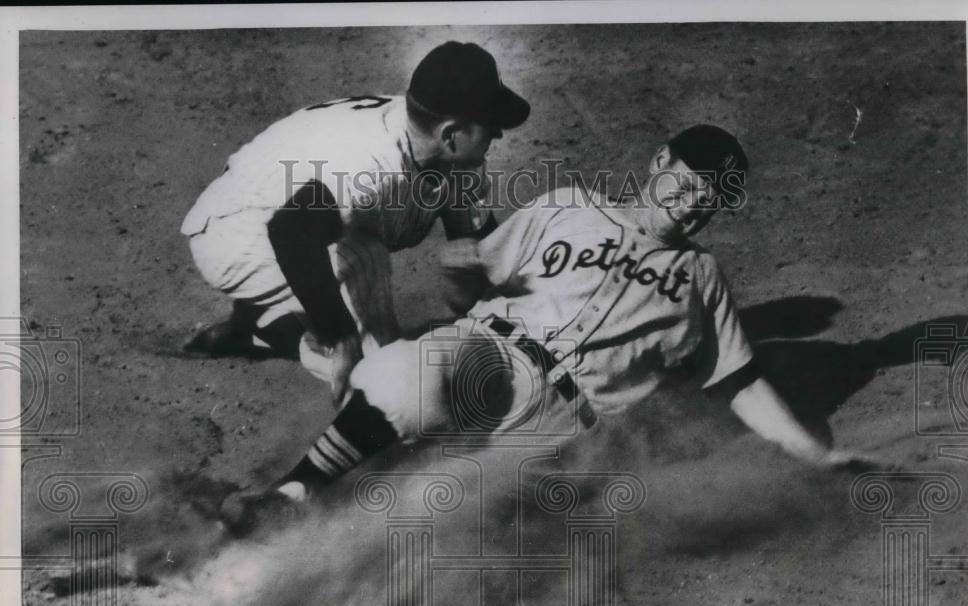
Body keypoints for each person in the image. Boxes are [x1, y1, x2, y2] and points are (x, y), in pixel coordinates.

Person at [220, 124, 870, 535]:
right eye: (691, 182)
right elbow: (468, 293)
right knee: (403, 380)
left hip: (563, 422)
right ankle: (292, 492)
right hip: (492, 353)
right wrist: (459, 274)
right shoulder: (569, 206)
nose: (696, 202)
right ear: (660, 161)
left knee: (436, 517)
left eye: (713, 198)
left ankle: (284, 569)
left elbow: (740, 382)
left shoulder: (702, 278)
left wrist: (816, 455)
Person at [179, 41, 530, 402]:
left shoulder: (448, 153)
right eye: (490, 124)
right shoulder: (367, 166)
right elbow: (290, 232)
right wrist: (341, 337)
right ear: (451, 134)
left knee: (360, 236)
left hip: (296, 211)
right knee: (365, 268)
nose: (498, 133)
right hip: (233, 229)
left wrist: (474, 280)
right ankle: (354, 377)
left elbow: (483, 267)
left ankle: (258, 326)